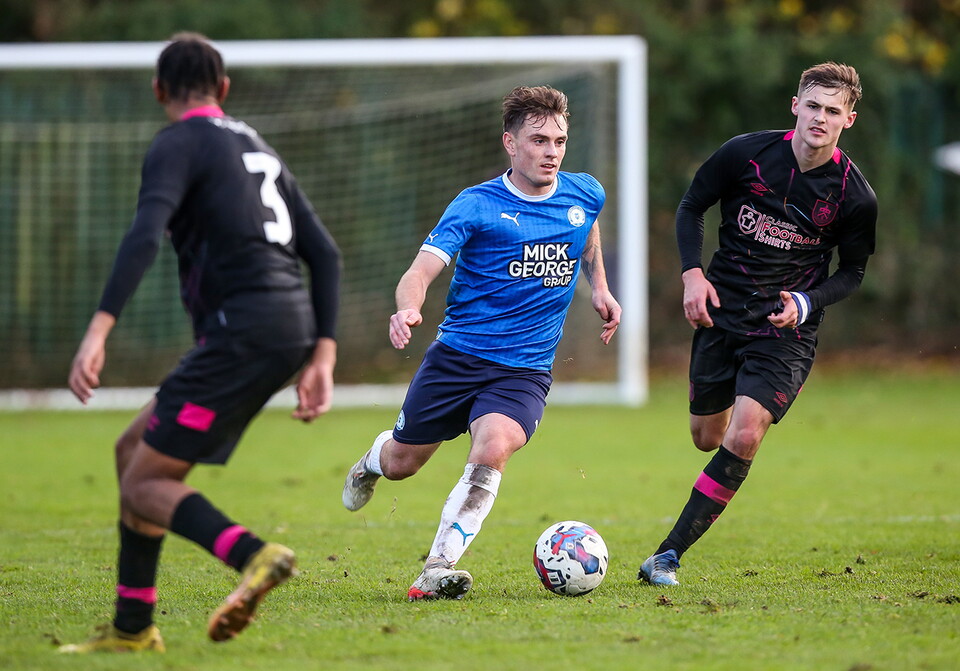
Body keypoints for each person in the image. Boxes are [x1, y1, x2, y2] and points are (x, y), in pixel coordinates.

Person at [59, 33, 341, 652]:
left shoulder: (177, 141)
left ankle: (253, 554)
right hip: (284, 326)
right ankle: (133, 628)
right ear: (225, 90)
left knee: (143, 482)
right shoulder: (255, 145)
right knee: (131, 449)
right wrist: (321, 354)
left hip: (243, 330)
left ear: (158, 90)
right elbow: (323, 252)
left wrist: (99, 329)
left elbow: (144, 234)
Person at [341, 85, 621, 601]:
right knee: (405, 463)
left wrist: (599, 287)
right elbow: (420, 270)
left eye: (559, 140)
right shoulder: (476, 205)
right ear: (510, 144)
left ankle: (436, 568)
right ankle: (372, 461)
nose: (552, 151)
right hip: (457, 358)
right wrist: (408, 306)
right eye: (538, 140)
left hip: (524, 369)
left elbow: (588, 230)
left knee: (493, 447)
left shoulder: (584, 192)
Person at [638, 62, 877, 586]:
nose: (820, 117)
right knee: (707, 437)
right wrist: (692, 274)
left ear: (848, 120)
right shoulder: (745, 153)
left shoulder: (854, 196)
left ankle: (667, 556)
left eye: (832, 111)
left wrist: (807, 303)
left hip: (784, 329)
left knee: (746, 434)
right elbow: (691, 206)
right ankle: (726, 432)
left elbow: (854, 272)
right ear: (795, 106)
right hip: (722, 313)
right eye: (812, 105)